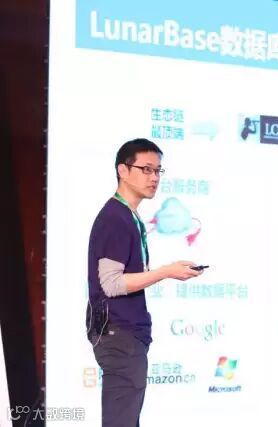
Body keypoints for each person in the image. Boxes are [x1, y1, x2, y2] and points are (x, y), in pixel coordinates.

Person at [86, 138, 202, 426]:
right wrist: (166, 271)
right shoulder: (115, 217)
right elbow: (111, 284)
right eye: (146, 169)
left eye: (158, 171)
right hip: (119, 333)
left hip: (125, 333)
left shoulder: (127, 215)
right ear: (123, 171)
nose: (154, 178)